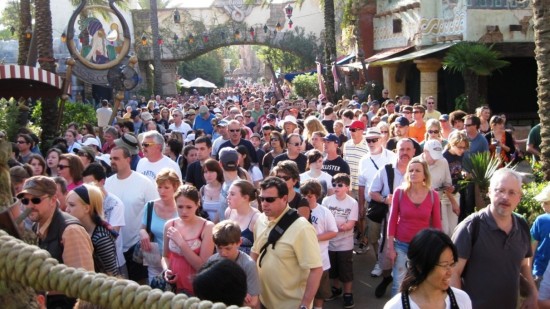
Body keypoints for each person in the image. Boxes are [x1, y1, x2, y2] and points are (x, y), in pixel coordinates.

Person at [451, 168, 538, 309]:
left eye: (511, 192)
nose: (506, 197)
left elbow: (523, 266)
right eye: (500, 190)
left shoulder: (521, 225)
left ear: (519, 197)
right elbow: (453, 272)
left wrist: (532, 293)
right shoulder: (471, 227)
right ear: (489, 192)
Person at [19, 176, 94, 308]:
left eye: (36, 200)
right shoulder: (36, 227)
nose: (30, 205)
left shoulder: (70, 231)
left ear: (53, 200)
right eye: (25, 200)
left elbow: (83, 285)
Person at [251, 176, 322, 309]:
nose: (264, 203)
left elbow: (316, 269)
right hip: (262, 302)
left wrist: (305, 305)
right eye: (261, 198)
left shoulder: (302, 228)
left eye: (270, 199)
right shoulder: (260, 220)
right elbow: (255, 252)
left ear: (284, 198)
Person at [387, 157, 442, 296]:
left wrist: (438, 250)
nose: (413, 173)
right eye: (410, 170)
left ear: (425, 175)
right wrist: (390, 248)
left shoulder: (433, 195)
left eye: (417, 170)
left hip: (423, 247)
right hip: (401, 245)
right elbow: (392, 220)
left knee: (421, 284)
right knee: (398, 285)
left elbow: (437, 224)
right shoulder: (399, 193)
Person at [105, 146, 159, 282]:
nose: (112, 161)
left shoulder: (145, 183)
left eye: (116, 158)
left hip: (137, 245)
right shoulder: (107, 183)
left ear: (128, 160)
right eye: (111, 158)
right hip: (114, 248)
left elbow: (154, 211)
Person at [383, 229, 472, 309]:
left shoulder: (462, 300)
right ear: (420, 266)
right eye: (445, 265)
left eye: (452, 264)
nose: (450, 272)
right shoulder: (396, 306)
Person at [163, 185, 215, 295]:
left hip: (195, 288)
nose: (184, 211)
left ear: (197, 205)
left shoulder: (207, 227)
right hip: (173, 287)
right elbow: (165, 256)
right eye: (180, 207)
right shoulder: (169, 225)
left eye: (189, 207)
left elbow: (201, 266)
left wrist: (181, 242)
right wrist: (167, 270)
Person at [358, 127, 397, 258]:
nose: (371, 143)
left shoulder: (392, 157)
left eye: (374, 140)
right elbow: (361, 185)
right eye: (368, 140)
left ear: (381, 140)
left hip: (390, 203)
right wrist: (361, 207)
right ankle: (379, 262)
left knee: (389, 236)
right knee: (373, 236)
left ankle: (389, 264)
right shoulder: (363, 160)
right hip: (372, 204)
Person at [65, 184, 119, 276]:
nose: (67, 210)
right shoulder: (75, 229)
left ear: (86, 208)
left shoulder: (102, 237)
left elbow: (111, 275)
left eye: (72, 205)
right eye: (67, 205)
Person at [322, 173, 359, 308]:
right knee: (333, 268)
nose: (336, 187)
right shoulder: (326, 201)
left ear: (347, 187)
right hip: (329, 242)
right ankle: (336, 289)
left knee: (346, 269)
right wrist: (332, 230)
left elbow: (350, 224)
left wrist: (338, 228)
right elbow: (323, 220)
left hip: (345, 243)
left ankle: (348, 294)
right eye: (335, 184)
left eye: (340, 185)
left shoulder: (352, 203)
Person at [300, 179, 338, 309]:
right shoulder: (297, 211)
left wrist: (314, 238)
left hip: (321, 260)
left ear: (316, 196)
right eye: (303, 195)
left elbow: (333, 232)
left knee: (320, 295)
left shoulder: (324, 212)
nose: (306, 198)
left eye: (309, 196)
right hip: (302, 262)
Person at [138, 169, 180, 284]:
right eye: (159, 187)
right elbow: (143, 227)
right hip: (154, 259)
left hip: (177, 260)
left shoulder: (182, 208)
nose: (162, 191)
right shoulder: (150, 206)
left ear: (175, 187)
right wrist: (142, 232)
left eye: (166, 188)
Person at [206, 220, 260, 308]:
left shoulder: (248, 264)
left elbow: (253, 302)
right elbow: (206, 294)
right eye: (219, 248)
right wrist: (238, 294)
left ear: (239, 242)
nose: (223, 253)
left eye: (228, 248)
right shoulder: (212, 261)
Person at [225, 180, 260, 255]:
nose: (228, 197)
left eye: (232, 194)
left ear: (245, 197)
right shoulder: (228, 212)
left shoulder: (256, 218)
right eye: (228, 193)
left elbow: (258, 249)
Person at [532, 185, 550, 284]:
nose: (542, 205)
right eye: (542, 202)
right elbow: (532, 246)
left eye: (546, 202)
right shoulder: (541, 220)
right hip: (540, 272)